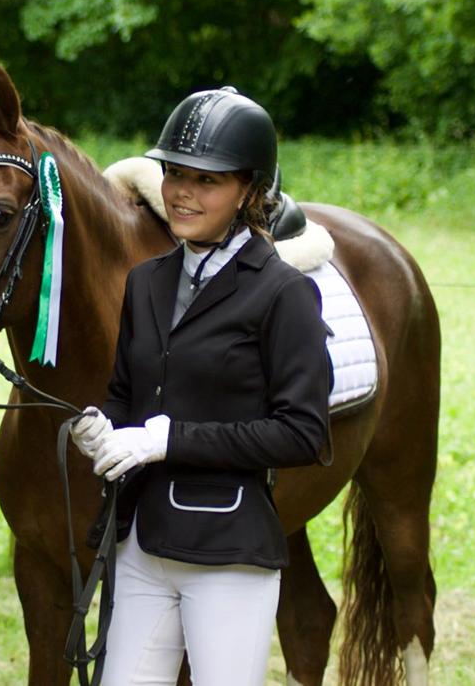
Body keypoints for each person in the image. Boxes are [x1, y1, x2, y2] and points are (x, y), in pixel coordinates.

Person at [67, 86, 334, 685]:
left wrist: (168, 441)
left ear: (249, 191)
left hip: (229, 553)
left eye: (207, 180)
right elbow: (126, 396)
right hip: (141, 546)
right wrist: (102, 430)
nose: (184, 192)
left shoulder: (284, 293)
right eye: (175, 174)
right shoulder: (145, 282)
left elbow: (303, 434)